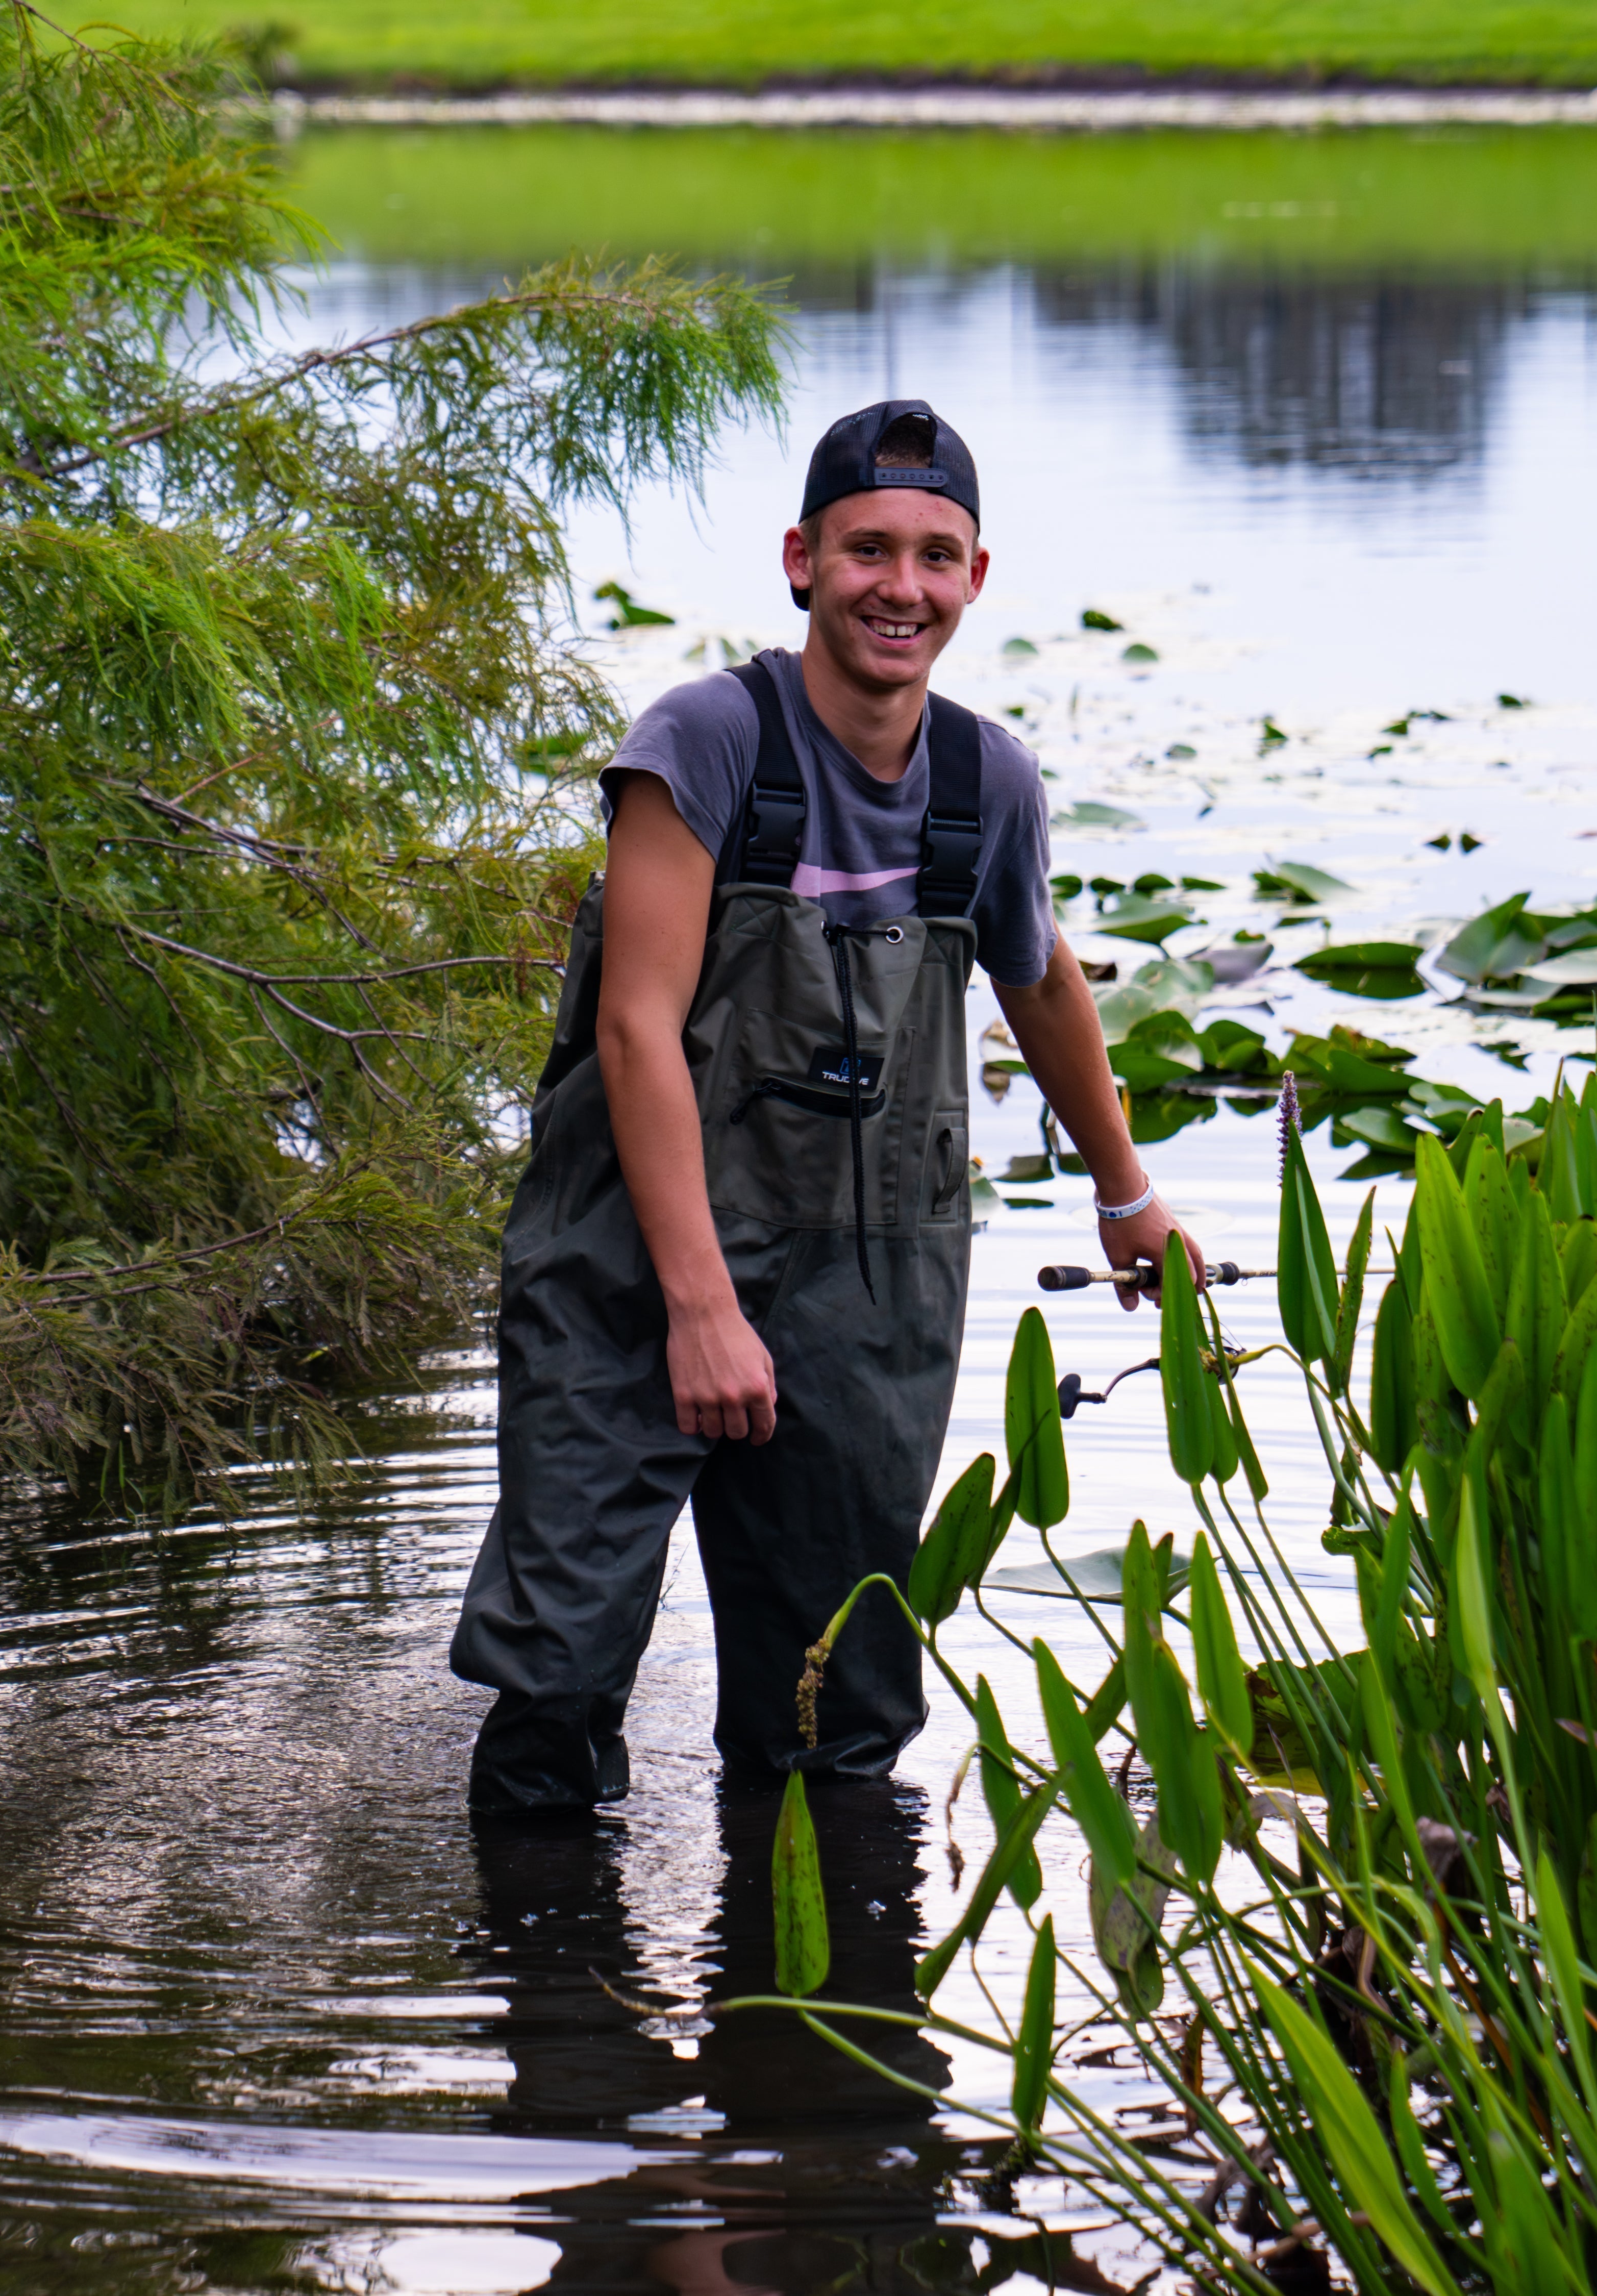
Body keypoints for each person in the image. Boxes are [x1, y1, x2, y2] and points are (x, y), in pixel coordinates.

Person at [450, 399, 1203, 1813]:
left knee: (832, 1718)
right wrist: (698, 1307)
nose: (898, 588)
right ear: (801, 559)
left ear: (976, 577)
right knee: (552, 1695)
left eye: (933, 555)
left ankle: (812, 2009)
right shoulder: (703, 745)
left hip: (865, 1292)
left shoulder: (987, 783)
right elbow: (633, 1031)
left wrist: (1125, 1197)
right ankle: (550, 2004)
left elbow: (1039, 983)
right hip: (629, 1272)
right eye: (866, 550)